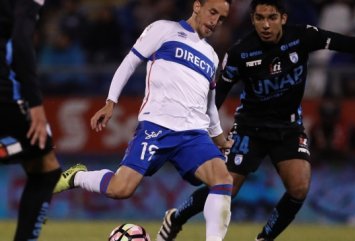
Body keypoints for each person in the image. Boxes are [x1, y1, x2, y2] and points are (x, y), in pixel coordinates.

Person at [157, 0, 355, 241]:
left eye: (272, 17)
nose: (266, 25)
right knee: (227, 188)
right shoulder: (240, 52)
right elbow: (218, 94)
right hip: (250, 127)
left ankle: (264, 239)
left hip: (288, 126)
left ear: (283, 18)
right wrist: (197, 131)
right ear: (252, 19)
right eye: (259, 18)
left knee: (299, 186)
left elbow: (347, 43)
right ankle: (176, 217)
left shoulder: (302, 37)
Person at [53, 1, 234, 241]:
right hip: (156, 127)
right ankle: (77, 176)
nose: (215, 21)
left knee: (223, 180)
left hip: (193, 133)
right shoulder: (164, 29)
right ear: (197, 6)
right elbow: (130, 62)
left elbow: (210, 105)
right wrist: (111, 100)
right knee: (121, 189)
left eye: (222, 18)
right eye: (213, 12)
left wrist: (220, 139)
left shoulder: (211, 56)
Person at [0, 0, 62, 240]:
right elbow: (21, 41)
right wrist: (35, 102)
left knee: (40, 164)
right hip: (7, 89)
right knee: (46, 170)